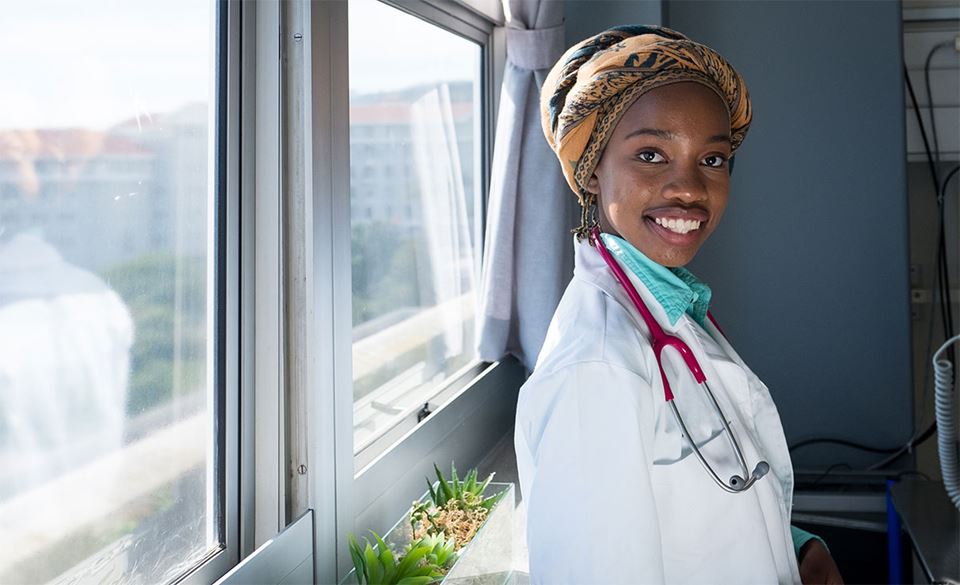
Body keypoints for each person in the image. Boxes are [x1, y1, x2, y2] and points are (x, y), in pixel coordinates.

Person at [513, 25, 843, 584]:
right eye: (650, 154)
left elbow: (698, 500)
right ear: (592, 170)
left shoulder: (674, 311)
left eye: (712, 160)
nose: (689, 187)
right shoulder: (595, 369)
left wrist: (795, 549)